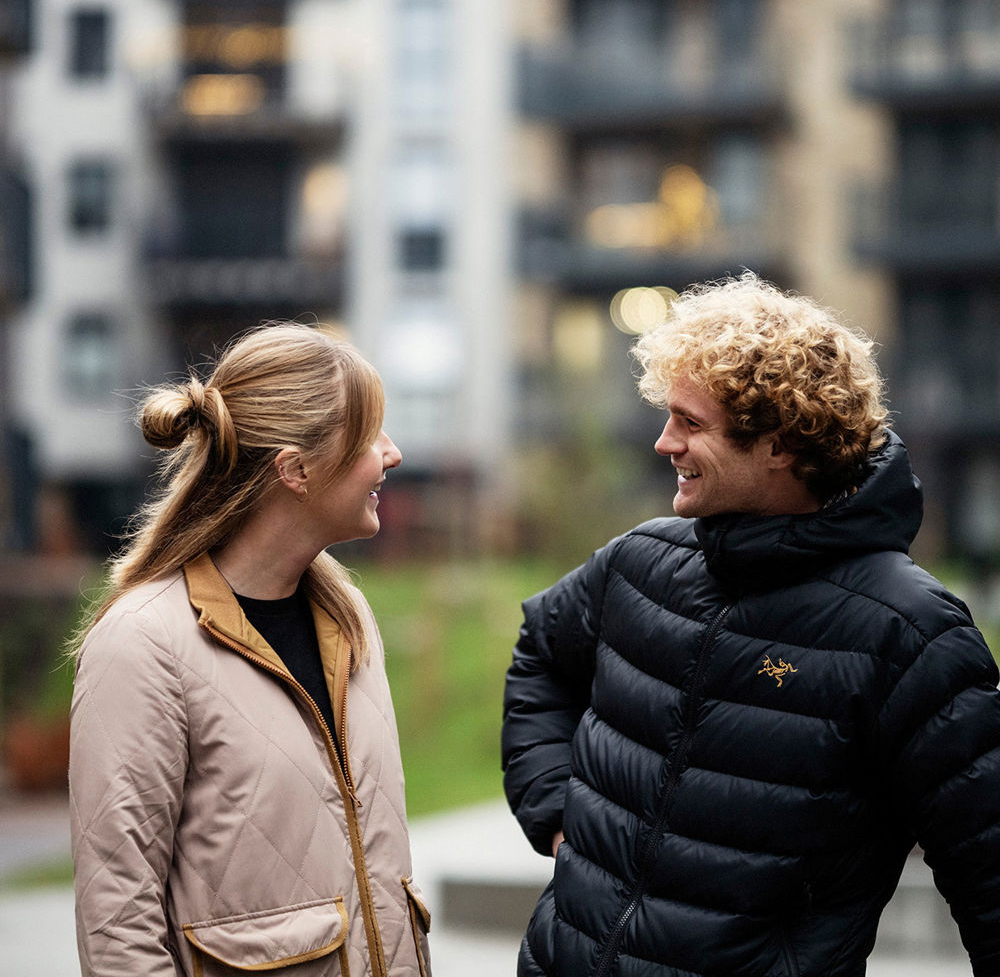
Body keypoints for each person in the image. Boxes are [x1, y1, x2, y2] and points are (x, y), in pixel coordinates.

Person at [502, 273, 1000, 977]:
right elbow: (541, 657)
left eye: (690, 423)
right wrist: (555, 811)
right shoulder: (640, 561)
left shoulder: (910, 632)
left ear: (782, 444)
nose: (663, 442)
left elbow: (988, 871)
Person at [69, 323, 431, 977]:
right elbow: (119, 923)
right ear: (295, 469)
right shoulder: (141, 645)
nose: (393, 453)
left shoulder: (350, 621)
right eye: (370, 436)